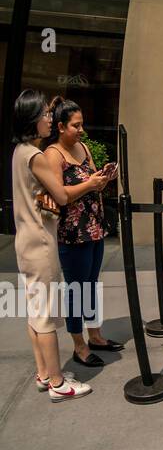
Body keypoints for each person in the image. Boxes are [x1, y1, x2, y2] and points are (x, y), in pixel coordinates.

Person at [12, 90, 94, 401]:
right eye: (46, 114)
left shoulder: (19, 152)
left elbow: (40, 195)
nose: (50, 119)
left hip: (25, 240)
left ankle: (44, 373)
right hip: (41, 242)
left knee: (34, 312)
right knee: (45, 316)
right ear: (33, 119)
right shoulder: (36, 155)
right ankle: (59, 383)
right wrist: (86, 185)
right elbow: (61, 196)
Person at [41, 98, 124, 365]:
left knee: (91, 284)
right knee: (76, 288)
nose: (81, 130)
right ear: (61, 126)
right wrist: (90, 184)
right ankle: (79, 345)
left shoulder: (83, 147)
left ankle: (95, 335)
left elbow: (90, 184)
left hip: (94, 227)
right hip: (73, 234)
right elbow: (61, 195)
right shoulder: (53, 154)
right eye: (76, 125)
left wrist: (101, 180)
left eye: (82, 124)